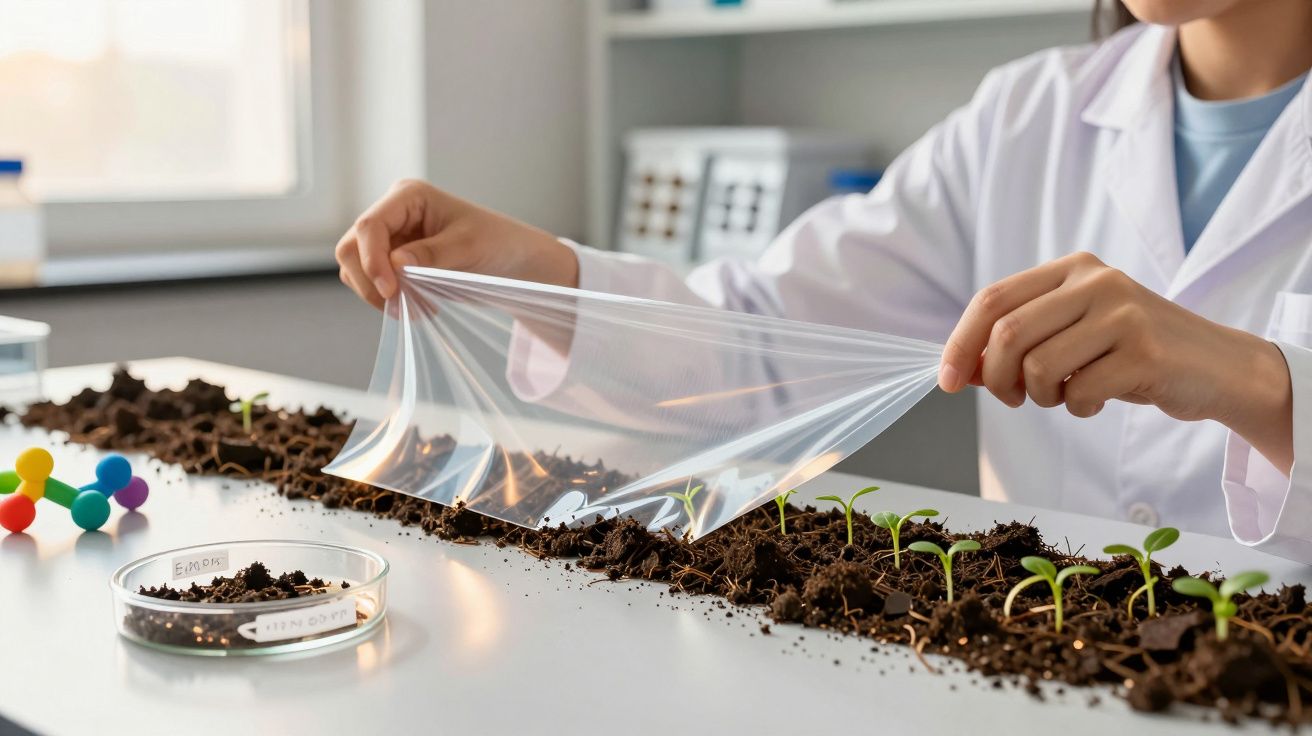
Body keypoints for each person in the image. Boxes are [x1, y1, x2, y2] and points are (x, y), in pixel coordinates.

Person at [335, 1, 1312, 560]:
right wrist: (529, 270)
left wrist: (1257, 383)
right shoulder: (1027, 117)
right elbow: (757, 350)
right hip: (1047, 678)